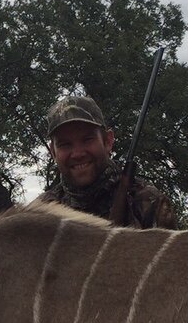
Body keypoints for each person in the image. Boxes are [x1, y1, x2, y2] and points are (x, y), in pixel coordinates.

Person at [34, 94, 176, 229]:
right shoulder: (40, 213)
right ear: (53, 151)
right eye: (65, 144)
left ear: (108, 141)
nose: (77, 154)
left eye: (87, 139)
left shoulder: (147, 201)